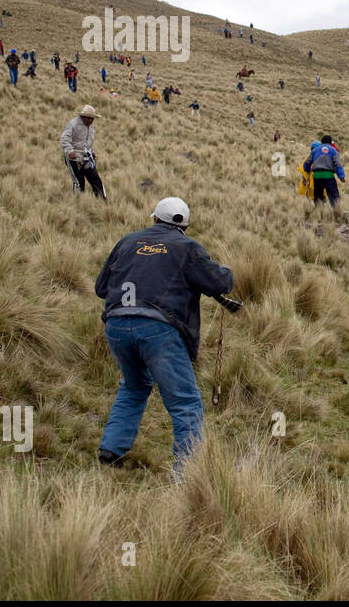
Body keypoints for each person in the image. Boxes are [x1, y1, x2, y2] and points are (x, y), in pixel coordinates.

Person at [94, 197, 239, 470]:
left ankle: (111, 450)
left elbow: (101, 288)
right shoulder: (187, 247)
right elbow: (221, 282)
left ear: (155, 219)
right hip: (159, 330)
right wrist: (227, 272)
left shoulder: (127, 242)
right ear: (184, 225)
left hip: (116, 325)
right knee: (185, 402)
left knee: (134, 386)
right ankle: (187, 473)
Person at [61, 105, 107, 200]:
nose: (90, 120)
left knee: (96, 180)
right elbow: (64, 139)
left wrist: (91, 152)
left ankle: (102, 201)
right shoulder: (73, 124)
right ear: (83, 116)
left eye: (92, 118)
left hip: (86, 157)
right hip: (73, 158)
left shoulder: (91, 127)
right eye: (89, 118)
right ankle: (79, 203)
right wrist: (70, 151)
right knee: (79, 182)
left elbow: (88, 143)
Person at [304, 135, 346, 211]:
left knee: (318, 197)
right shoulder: (333, 150)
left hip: (317, 176)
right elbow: (338, 164)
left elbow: (307, 162)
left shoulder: (315, 150)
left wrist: (307, 170)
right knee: (334, 196)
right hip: (328, 176)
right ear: (330, 142)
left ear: (322, 142)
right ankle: (336, 212)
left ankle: (319, 213)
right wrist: (341, 176)